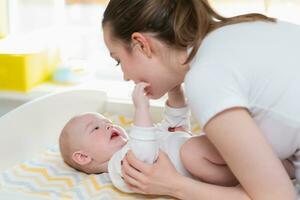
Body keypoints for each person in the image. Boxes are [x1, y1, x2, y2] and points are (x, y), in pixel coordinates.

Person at [101, 0, 300, 199]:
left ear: (141, 45)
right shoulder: (242, 29)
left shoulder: (206, 77)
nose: (125, 76)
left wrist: (173, 185)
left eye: (118, 60)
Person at [59, 83, 239, 193]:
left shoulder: (141, 138)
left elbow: (175, 121)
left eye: (107, 121)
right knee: (192, 149)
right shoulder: (118, 167)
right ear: (83, 157)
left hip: (208, 152)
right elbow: (144, 155)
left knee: (215, 131)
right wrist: (141, 109)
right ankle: (243, 174)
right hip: (208, 162)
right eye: (96, 128)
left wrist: (174, 89)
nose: (108, 125)